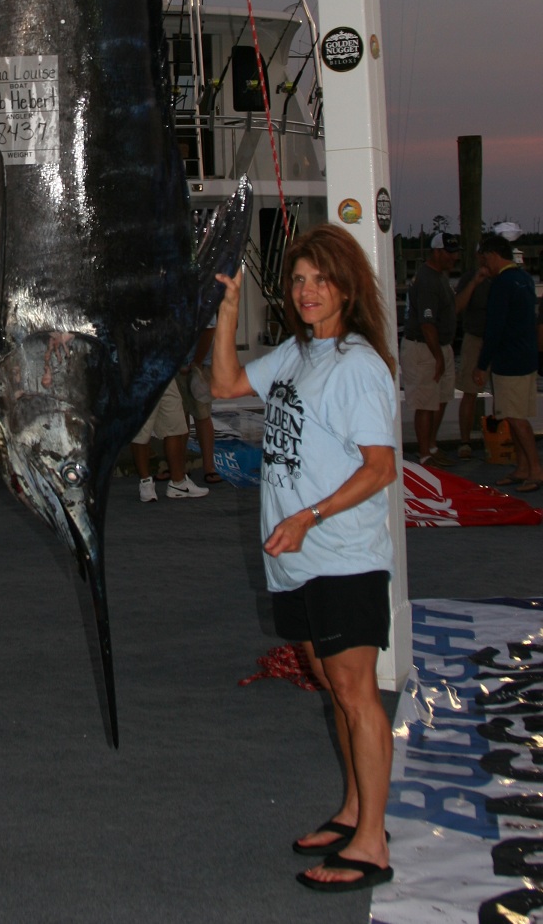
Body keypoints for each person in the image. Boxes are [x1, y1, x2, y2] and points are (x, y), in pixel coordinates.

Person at [211, 224, 397, 895]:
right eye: (299, 280)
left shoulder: (358, 365)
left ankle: (373, 843)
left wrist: (306, 516)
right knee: (330, 686)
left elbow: (381, 469)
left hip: (341, 554)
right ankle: (353, 811)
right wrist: (229, 306)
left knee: (357, 693)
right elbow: (229, 385)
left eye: (321, 279)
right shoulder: (297, 353)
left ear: (346, 286)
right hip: (296, 560)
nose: (309, 291)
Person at [473, 233, 541, 491]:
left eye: (483, 260)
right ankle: (523, 467)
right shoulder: (524, 279)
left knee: (514, 418)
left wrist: (482, 363)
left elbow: (495, 328)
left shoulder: (502, 283)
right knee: (517, 416)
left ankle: (535, 468)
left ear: (492, 255)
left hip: (509, 361)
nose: (483, 267)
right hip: (526, 356)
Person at [399, 231, 459, 465]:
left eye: (455, 253)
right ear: (437, 252)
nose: (454, 257)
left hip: (441, 346)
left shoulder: (441, 277)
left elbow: (452, 310)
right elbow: (426, 323)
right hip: (423, 348)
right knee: (425, 402)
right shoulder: (426, 280)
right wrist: (438, 357)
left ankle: (432, 446)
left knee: (442, 398)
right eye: (450, 253)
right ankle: (424, 454)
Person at [131, 378, 210, 501]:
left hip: (166, 376)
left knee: (175, 427)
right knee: (141, 431)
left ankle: (178, 483)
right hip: (140, 376)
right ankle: (146, 483)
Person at [453, 259, 492, 458]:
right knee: (470, 391)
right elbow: (456, 307)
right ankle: (465, 441)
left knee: (503, 392)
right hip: (474, 338)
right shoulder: (470, 277)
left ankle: (499, 439)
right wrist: (475, 283)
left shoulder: (505, 277)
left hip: (499, 341)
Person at [176, 324, 223, 484]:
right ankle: (178, 467)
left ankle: (209, 467)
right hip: (176, 362)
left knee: (202, 414)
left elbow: (209, 330)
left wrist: (196, 362)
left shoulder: (202, 299)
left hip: (200, 364)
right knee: (179, 417)